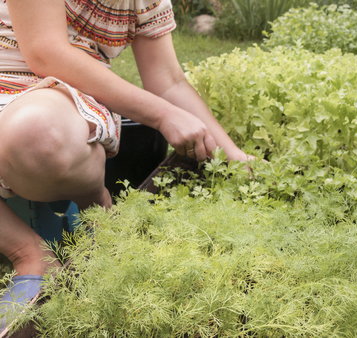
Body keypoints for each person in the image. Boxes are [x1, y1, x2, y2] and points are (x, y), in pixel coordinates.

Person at [0, 0, 252, 331]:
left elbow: (167, 79)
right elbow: (45, 51)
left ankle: (93, 198)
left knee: (37, 135)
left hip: (57, 98)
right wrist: (162, 114)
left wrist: (233, 154)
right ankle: (28, 252)